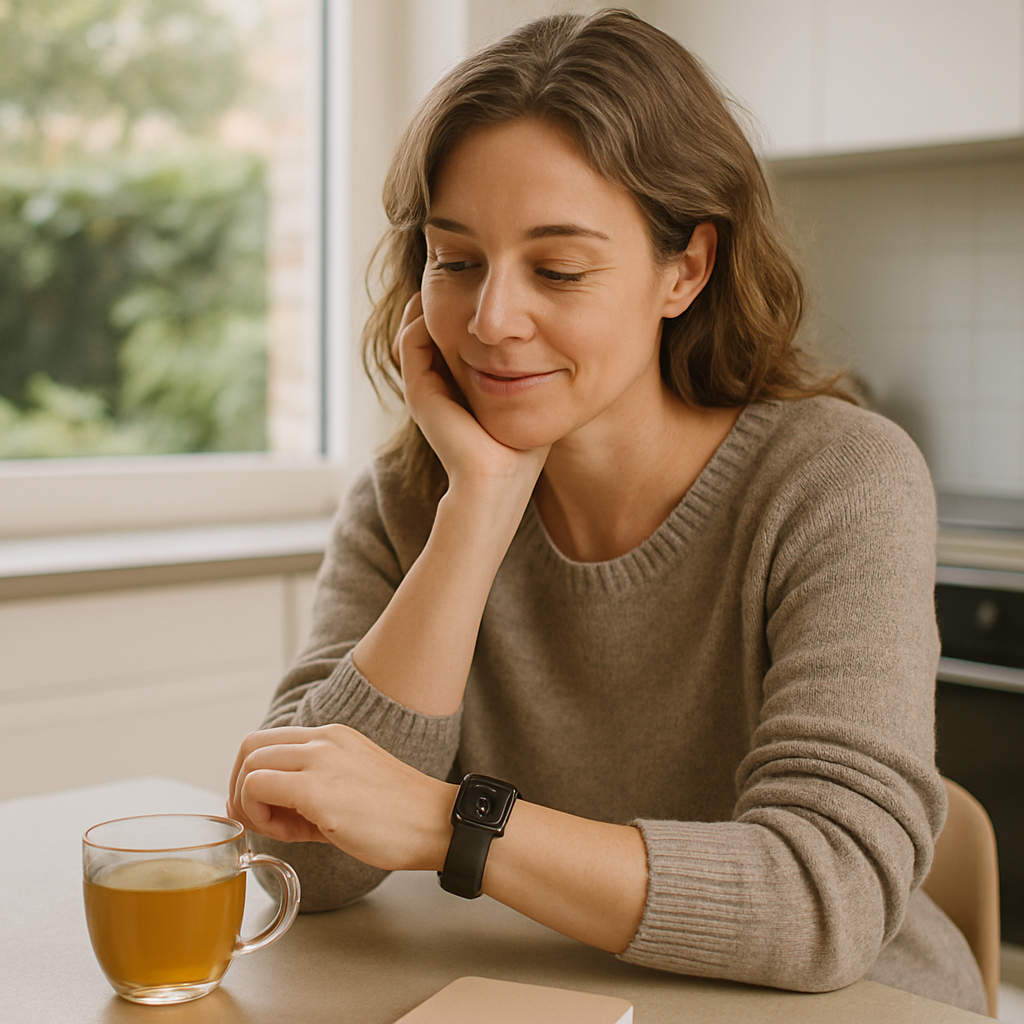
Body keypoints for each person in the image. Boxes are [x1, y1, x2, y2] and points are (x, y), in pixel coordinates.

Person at [226, 9, 986, 1014]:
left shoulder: (836, 481)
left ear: (686, 269)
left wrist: (450, 825)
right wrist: (479, 511)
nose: (491, 319)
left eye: (558, 268)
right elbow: (302, 859)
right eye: (454, 259)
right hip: (550, 997)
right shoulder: (410, 501)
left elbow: (825, 896)